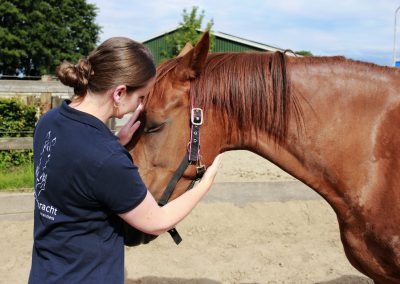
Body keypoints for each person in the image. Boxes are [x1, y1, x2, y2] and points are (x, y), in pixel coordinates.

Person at [28, 37, 222, 284]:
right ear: (119, 92)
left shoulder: (50, 121)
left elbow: (74, 168)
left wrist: (116, 142)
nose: (140, 105)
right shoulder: (107, 159)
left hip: (45, 274)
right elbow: (157, 222)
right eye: (141, 96)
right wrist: (206, 181)